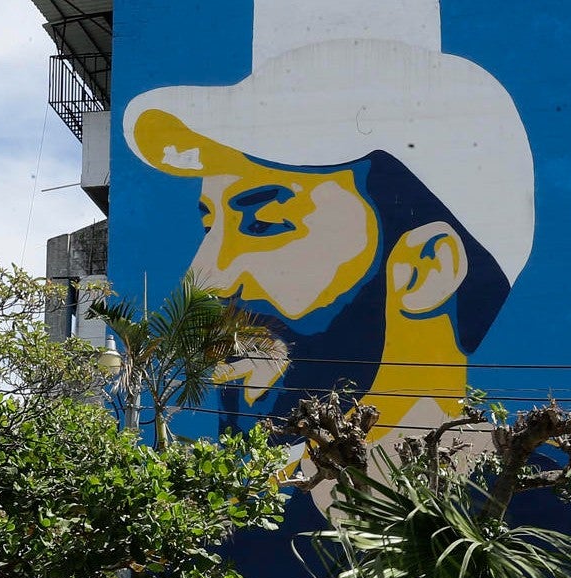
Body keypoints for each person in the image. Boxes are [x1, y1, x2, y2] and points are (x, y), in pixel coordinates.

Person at [121, 0, 536, 514]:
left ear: (428, 269)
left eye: (267, 222)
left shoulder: (542, 514)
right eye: (210, 225)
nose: (204, 281)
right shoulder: (219, 527)